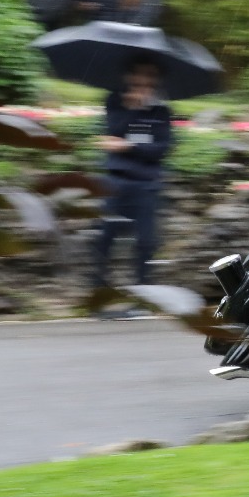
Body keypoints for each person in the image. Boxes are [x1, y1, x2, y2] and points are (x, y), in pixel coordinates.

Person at [92, 58, 173, 316]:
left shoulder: (161, 111)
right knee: (105, 237)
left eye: (151, 76)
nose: (145, 82)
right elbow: (110, 133)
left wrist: (129, 146)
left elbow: (160, 149)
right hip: (115, 180)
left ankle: (142, 297)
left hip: (147, 183)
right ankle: (99, 295)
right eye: (140, 75)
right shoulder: (115, 101)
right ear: (130, 76)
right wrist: (131, 108)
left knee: (146, 241)